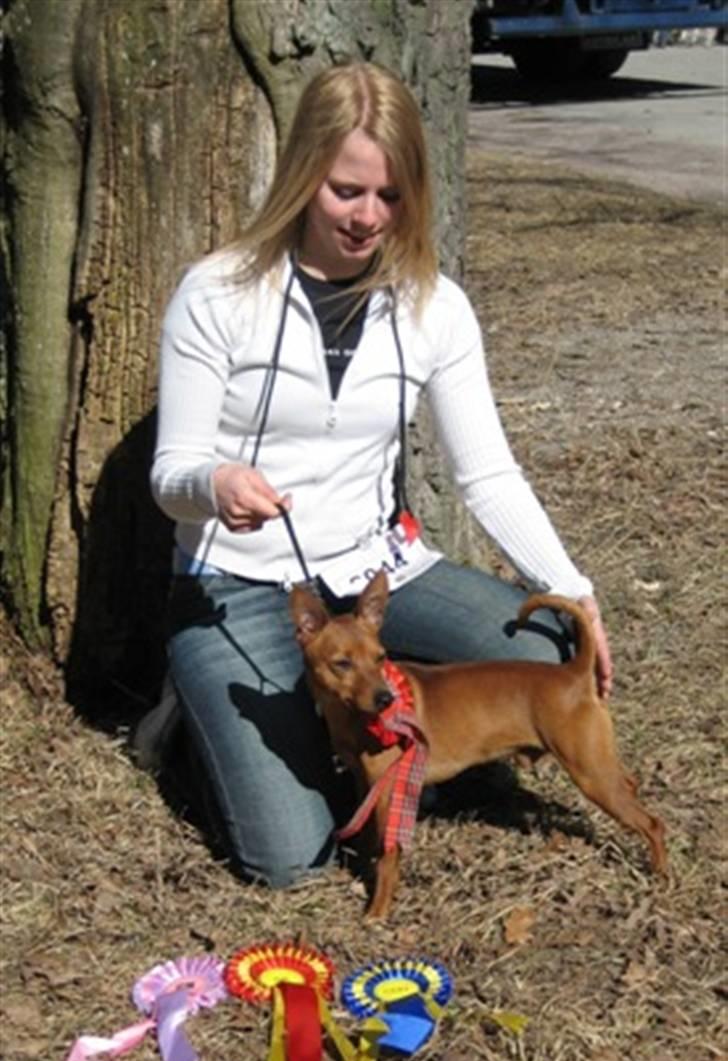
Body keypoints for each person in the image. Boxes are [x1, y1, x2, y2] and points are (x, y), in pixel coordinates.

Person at [147, 62, 612, 889]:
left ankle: (366, 719)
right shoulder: (217, 294)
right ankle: (204, 719)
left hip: (376, 569)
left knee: (547, 649)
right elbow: (170, 474)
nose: (368, 218)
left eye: (390, 197)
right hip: (242, 581)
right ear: (302, 176)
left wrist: (573, 589)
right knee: (291, 856)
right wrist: (216, 482)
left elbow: (489, 473)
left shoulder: (432, 306)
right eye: (346, 191)